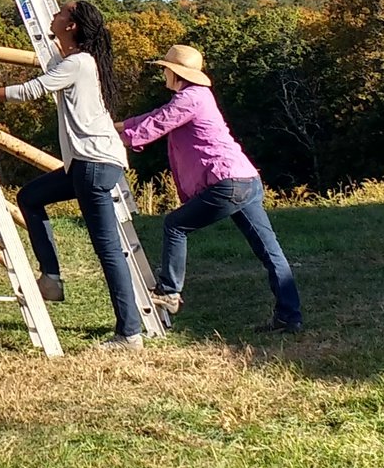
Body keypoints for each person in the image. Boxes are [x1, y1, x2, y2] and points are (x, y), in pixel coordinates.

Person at [0, 0, 147, 350]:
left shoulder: (77, 64)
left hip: (93, 164)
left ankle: (129, 333)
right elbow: (50, 65)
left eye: (60, 13)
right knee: (30, 197)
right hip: (89, 164)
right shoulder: (76, 61)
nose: (53, 15)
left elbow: (32, 89)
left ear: (72, 26)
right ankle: (52, 278)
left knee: (107, 249)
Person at [120, 44, 302, 334]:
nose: (163, 73)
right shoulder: (195, 96)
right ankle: (289, 317)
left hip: (227, 184)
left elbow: (156, 124)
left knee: (175, 225)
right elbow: (157, 115)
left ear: (176, 73)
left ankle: (168, 290)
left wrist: (114, 138)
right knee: (271, 252)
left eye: (165, 68)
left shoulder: (190, 99)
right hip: (246, 181)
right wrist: (119, 125)